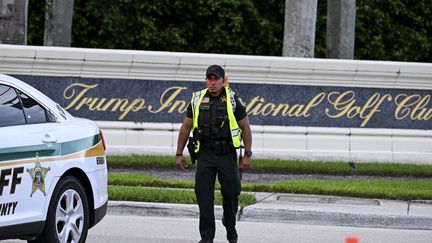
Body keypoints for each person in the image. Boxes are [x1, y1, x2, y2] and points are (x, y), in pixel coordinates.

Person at [175, 64, 252, 243]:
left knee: (232, 192)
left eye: (216, 79)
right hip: (205, 154)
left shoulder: (233, 100)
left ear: (223, 81)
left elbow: (245, 127)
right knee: (204, 195)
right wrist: (179, 153)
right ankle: (207, 237)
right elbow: (186, 126)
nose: (212, 83)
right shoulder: (196, 99)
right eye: (209, 79)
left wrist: (247, 154)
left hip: (226, 154)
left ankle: (230, 223)